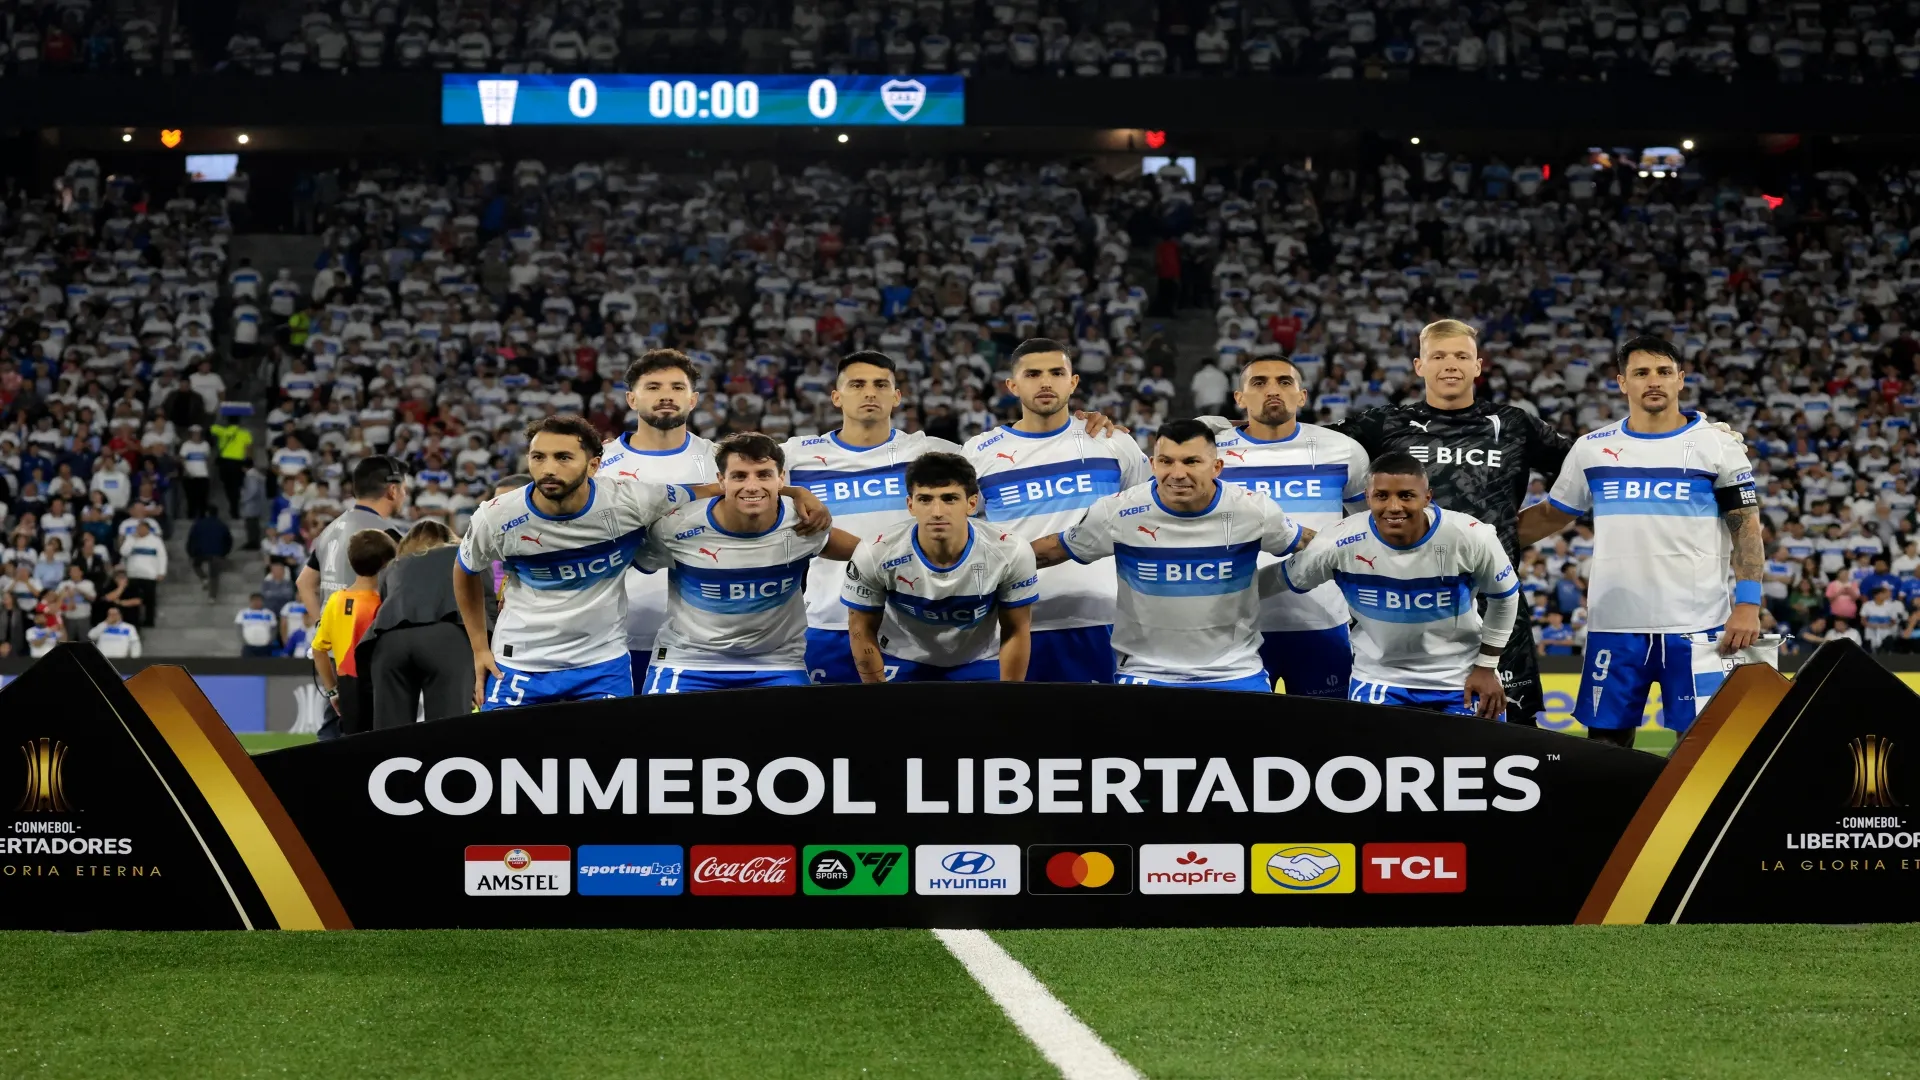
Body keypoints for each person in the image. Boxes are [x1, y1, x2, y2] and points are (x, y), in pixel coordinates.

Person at [454, 416, 830, 709]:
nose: (549, 468)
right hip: (519, 660)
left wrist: (795, 491)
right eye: (538, 457)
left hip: (603, 663)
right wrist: (479, 649)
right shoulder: (498, 516)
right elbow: (466, 570)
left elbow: (715, 488)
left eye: (563, 457)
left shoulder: (630, 501)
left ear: (593, 464)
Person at [1315, 319, 1576, 725]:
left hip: (1492, 599)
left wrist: (1511, 533)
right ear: (1419, 366)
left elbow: (1590, 463)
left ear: (1478, 365)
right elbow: (1303, 446)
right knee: (1396, 739)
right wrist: (1225, 431)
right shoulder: (1384, 424)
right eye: (1438, 356)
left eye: (1461, 356)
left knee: (1512, 736)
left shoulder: (1513, 424)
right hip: (1400, 597)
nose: (1449, 365)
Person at [1517, 335, 1763, 746]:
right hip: (1615, 624)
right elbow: (1551, 515)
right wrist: (1475, 542)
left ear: (1681, 379)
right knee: (1605, 750)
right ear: (1621, 382)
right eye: (1641, 372)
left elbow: (1747, 529)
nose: (1654, 381)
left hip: (1698, 625)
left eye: (1664, 372)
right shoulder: (1592, 450)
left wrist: (1749, 604)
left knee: (1702, 752)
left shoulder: (1718, 446)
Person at [1030, 418, 1308, 692]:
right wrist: (994, 558)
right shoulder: (1117, 512)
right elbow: (1051, 551)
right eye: (1166, 461)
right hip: (1146, 673)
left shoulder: (1253, 510)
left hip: (1237, 672)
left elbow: (1311, 545)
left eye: (1191, 462)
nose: (1177, 473)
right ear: (1152, 464)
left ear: (1217, 467)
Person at [1275, 450, 1518, 717]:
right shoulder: (1337, 540)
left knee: (1477, 758)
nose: (1393, 507)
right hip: (1379, 679)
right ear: (1367, 497)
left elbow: (1505, 598)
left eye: (1406, 495)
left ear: (1427, 497)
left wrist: (1486, 667)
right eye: (1381, 496)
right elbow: (1280, 579)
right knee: (1372, 760)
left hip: (1463, 678)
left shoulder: (1472, 536)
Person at [964, 338, 1151, 683]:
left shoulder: (1113, 442)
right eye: (1033, 374)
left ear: (1073, 381)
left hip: (1104, 622)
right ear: (1012, 385)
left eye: (1056, 373)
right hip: (1010, 624)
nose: (1046, 382)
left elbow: (1144, 518)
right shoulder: (978, 453)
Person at [783, 351, 964, 685]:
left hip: (912, 624)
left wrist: (1083, 429)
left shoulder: (935, 454)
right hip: (829, 623)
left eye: (881, 385)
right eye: (857, 384)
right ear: (836, 397)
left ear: (897, 396)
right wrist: (793, 492)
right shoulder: (797, 456)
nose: (870, 392)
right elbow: (733, 479)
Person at [637, 433, 861, 694]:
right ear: (721, 481)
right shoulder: (675, 528)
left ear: (781, 479)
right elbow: (626, 561)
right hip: (687, 661)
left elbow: (868, 556)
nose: (752, 486)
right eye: (739, 476)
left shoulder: (804, 524)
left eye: (764, 475)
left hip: (777, 663)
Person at [1214, 357, 1370, 697]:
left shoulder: (1343, 450)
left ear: (1302, 396)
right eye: (1259, 383)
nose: (1273, 390)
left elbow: (1367, 528)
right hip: (1233, 625)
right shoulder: (1212, 454)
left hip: (1322, 622)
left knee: (1327, 739)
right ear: (1239, 398)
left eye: (1285, 382)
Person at [841, 453, 1037, 682]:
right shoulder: (875, 552)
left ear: (972, 503)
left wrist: (1009, 700)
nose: (937, 512)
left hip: (980, 660)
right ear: (910, 504)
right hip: (902, 660)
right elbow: (860, 629)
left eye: (950, 498)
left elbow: (1016, 630)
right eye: (925, 499)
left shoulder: (1011, 551)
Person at [593, 350, 717, 692]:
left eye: (677, 387)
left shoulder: (720, 462)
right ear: (632, 398)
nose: (666, 395)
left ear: (692, 400)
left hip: (701, 643)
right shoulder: (598, 465)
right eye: (654, 387)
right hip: (609, 640)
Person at [357, 519, 473, 727]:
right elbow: (485, 608)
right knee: (447, 733)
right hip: (445, 638)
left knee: (389, 737)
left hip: (388, 642)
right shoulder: (463, 555)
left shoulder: (393, 567)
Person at [298, 454, 407, 619]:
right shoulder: (386, 534)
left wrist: (321, 627)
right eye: (403, 489)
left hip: (334, 635)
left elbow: (304, 583)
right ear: (392, 491)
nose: (405, 495)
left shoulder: (330, 529)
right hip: (363, 636)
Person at [311, 528, 397, 738]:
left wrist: (333, 692)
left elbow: (318, 651)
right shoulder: (385, 603)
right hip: (381, 687)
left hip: (348, 687)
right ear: (387, 563)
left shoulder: (335, 601)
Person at [118, 519, 166, 627]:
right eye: (138, 528)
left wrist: (161, 572)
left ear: (148, 529)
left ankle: (149, 621)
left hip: (149, 575)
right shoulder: (131, 539)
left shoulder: (156, 541)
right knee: (132, 598)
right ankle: (133, 620)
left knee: (150, 600)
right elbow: (123, 552)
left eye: (142, 528)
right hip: (133, 574)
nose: (140, 530)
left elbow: (162, 557)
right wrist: (132, 540)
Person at [209, 415, 253, 518]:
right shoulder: (245, 433)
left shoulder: (222, 431)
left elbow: (211, 427)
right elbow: (249, 449)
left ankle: (233, 504)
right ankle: (235, 506)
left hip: (225, 463)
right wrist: (249, 462)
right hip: (238, 463)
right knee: (236, 486)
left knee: (228, 486)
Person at [187, 506, 233, 600]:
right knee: (214, 575)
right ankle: (212, 596)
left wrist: (191, 553)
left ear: (207, 513)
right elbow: (229, 540)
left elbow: (191, 539)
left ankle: (204, 578)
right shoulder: (222, 525)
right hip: (217, 553)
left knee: (196, 565)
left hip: (200, 553)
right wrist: (224, 553)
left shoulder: (198, 524)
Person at [179, 424, 214, 520]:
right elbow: (182, 459)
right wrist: (186, 470)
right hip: (190, 476)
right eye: (194, 434)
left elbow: (207, 459)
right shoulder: (186, 445)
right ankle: (191, 515)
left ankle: (202, 515)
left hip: (203, 475)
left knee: (203, 497)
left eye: (198, 434)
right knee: (191, 497)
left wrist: (208, 471)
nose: (196, 435)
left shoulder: (205, 445)